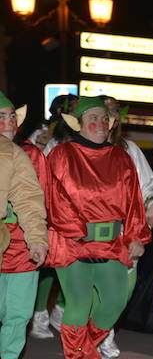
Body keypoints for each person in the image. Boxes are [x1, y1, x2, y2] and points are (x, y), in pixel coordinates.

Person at [45, 96, 150, 359]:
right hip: (73, 243)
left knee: (115, 303)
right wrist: (74, 228)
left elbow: (133, 202)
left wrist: (136, 236)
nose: (100, 124)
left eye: (105, 118)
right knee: (78, 303)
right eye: (93, 117)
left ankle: (83, 351)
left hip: (111, 243)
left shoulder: (120, 157)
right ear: (78, 123)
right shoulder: (62, 154)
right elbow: (52, 196)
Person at [98, 97, 153, 359]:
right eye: (104, 111)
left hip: (128, 226)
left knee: (124, 287)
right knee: (99, 285)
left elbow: (147, 184)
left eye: (114, 111)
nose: (109, 116)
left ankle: (105, 327)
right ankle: (102, 334)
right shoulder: (81, 149)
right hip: (94, 227)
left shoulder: (130, 148)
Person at [0, 93, 50, 359]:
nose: (8, 122)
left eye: (11, 116)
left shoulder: (16, 155)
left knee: (17, 313)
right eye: (1, 117)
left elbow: (30, 200)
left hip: (17, 245)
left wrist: (37, 239)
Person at [29, 93, 78, 339]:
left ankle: (61, 308)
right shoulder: (44, 135)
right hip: (47, 206)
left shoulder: (82, 137)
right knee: (47, 264)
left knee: (73, 261)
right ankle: (39, 316)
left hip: (75, 210)